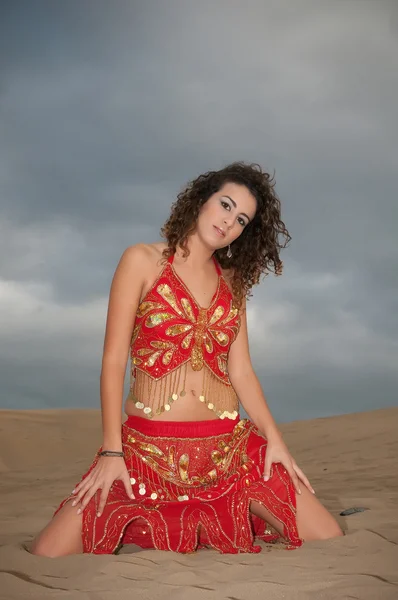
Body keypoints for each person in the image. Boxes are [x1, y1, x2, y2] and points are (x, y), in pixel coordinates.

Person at [30, 162, 343, 557]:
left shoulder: (234, 283)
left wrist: (276, 441)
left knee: (327, 534)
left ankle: (218, 521)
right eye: (225, 205)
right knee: (49, 551)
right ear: (201, 200)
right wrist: (112, 451)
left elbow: (241, 370)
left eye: (242, 219)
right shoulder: (141, 261)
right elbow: (113, 361)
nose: (230, 222)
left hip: (228, 454)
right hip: (145, 454)